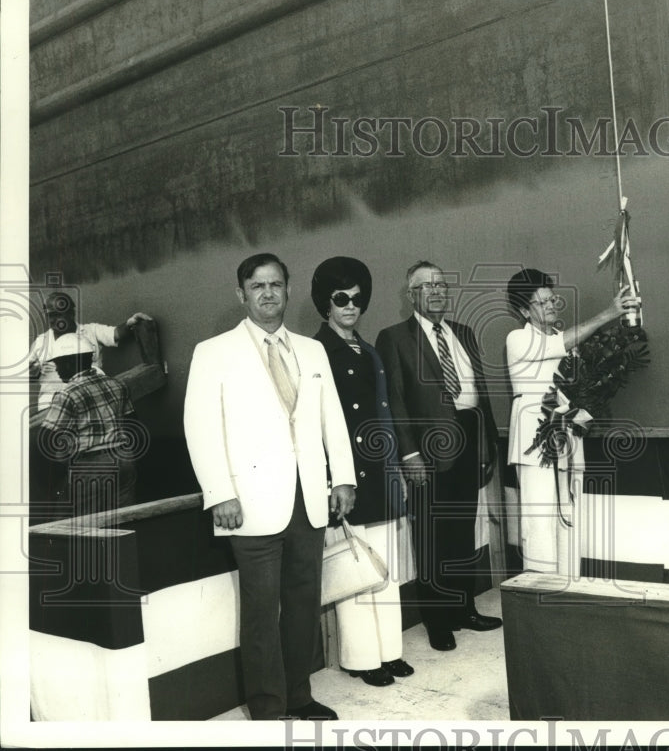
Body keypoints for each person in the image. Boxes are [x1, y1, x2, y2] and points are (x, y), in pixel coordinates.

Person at [183, 253, 356, 721]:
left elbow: (331, 419)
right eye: (257, 286)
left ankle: (299, 695)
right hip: (250, 506)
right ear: (241, 294)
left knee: (303, 607)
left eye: (276, 284)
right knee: (262, 614)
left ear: (288, 290)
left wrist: (342, 476)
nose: (268, 293)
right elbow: (200, 428)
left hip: (309, 504)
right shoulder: (213, 352)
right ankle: (266, 708)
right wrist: (219, 493)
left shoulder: (312, 350)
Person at [375, 261, 501, 652]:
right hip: (427, 451)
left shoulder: (462, 333)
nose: (436, 291)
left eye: (442, 284)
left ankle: (464, 608)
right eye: (426, 286)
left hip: (469, 437)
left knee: (462, 530)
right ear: (411, 295)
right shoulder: (394, 338)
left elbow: (477, 393)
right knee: (432, 535)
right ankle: (437, 620)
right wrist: (409, 453)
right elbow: (395, 399)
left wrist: (487, 445)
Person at [310, 256, 413, 688]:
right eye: (340, 298)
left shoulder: (367, 349)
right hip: (349, 477)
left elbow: (385, 416)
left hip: (381, 470)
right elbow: (319, 422)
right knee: (356, 567)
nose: (350, 305)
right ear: (324, 304)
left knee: (384, 566)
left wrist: (398, 472)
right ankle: (360, 656)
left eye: (357, 298)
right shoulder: (318, 351)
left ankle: (388, 651)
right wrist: (335, 481)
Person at [504, 269, 639, 576]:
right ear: (524, 310)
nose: (551, 305)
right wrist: (610, 313)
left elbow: (580, 388)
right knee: (540, 520)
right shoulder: (517, 338)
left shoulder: (565, 341)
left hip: (568, 436)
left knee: (569, 515)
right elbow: (560, 346)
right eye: (541, 302)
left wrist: (585, 412)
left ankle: (568, 589)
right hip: (533, 441)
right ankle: (542, 594)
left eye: (552, 299)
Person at [38, 332, 138, 516]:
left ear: (68, 363)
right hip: (124, 459)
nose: (58, 371)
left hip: (91, 467)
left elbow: (47, 436)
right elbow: (132, 423)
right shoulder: (116, 384)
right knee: (123, 523)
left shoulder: (67, 394)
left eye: (58, 365)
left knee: (84, 527)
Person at [28, 290, 152, 411]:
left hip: (90, 395)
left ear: (71, 313)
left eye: (59, 314)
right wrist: (32, 371)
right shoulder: (40, 342)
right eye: (51, 316)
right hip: (52, 403)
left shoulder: (91, 331)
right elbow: (29, 375)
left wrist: (130, 322)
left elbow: (115, 333)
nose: (55, 320)